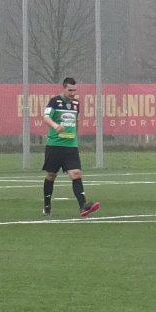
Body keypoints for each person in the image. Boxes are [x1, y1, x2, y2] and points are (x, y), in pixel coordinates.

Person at [42, 76, 100, 219]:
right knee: (51, 176)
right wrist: (55, 126)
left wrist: (75, 136)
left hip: (70, 146)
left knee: (76, 174)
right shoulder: (54, 101)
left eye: (75, 90)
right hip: (55, 145)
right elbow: (46, 117)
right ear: (64, 88)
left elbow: (76, 121)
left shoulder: (76, 103)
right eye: (70, 90)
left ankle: (83, 206)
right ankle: (47, 205)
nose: (73, 93)